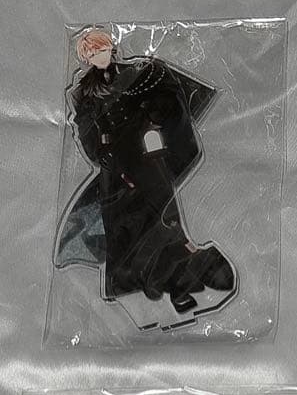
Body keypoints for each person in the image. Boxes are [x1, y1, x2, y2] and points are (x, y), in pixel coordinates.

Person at [56, 28, 235, 322]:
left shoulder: (141, 73)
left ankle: (177, 275)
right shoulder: (83, 92)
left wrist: (152, 117)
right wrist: (101, 152)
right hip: (115, 167)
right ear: (86, 58)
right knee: (123, 223)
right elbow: (85, 129)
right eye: (92, 54)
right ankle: (136, 279)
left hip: (146, 157)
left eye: (101, 50)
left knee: (163, 212)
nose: (98, 57)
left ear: (111, 49)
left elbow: (166, 99)